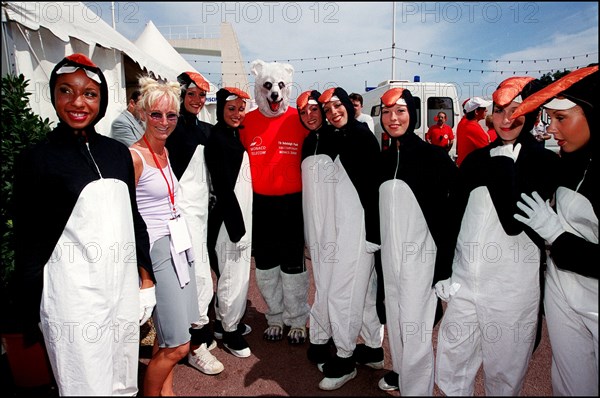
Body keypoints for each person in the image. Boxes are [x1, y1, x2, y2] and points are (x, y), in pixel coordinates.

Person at [13, 53, 155, 396]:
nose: (78, 102)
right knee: (84, 385)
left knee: (123, 381)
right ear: (54, 96)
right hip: (72, 301)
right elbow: (28, 240)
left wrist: (146, 280)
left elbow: (133, 219)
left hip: (121, 293)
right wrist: (26, 306)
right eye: (66, 91)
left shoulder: (117, 153)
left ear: (101, 99)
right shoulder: (37, 159)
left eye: (89, 93)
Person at [434, 76, 560, 396]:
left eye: (516, 110)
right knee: (451, 365)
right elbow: (453, 217)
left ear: (531, 112)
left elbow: (514, 222)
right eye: (500, 110)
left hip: (512, 291)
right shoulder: (476, 160)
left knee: (504, 374)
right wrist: (443, 270)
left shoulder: (543, 161)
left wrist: (505, 165)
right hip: (465, 283)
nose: (506, 119)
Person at [511, 64, 598, 396]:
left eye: (562, 119)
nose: (553, 129)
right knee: (570, 382)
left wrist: (558, 237)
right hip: (562, 291)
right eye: (550, 119)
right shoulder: (566, 162)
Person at [377, 88, 458, 395]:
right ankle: (400, 371)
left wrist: (445, 262)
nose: (392, 118)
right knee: (396, 320)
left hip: (421, 260)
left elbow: (456, 206)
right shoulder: (383, 159)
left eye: (400, 111)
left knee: (416, 328)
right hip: (389, 258)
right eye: (386, 112)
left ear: (412, 114)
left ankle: (417, 390)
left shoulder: (433, 157)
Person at [129, 76, 199, 396]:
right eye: (156, 114)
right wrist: (145, 276)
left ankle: (166, 393)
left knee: (169, 333)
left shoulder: (166, 151)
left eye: (171, 115)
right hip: (157, 250)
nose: (164, 121)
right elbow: (129, 218)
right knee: (180, 346)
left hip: (178, 244)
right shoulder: (134, 156)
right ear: (142, 112)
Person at [314, 87, 384, 391]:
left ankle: (345, 358)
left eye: (337, 106)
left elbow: (372, 190)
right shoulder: (338, 136)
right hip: (346, 228)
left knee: (341, 294)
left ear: (349, 105)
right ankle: (373, 349)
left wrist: (372, 235)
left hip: (359, 232)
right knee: (365, 293)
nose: (333, 112)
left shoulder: (361, 136)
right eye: (327, 109)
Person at [240, 60, 310, 346]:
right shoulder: (247, 122)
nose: (274, 93)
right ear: (259, 88)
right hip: (262, 206)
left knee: (293, 264)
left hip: (293, 205)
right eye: (268, 87)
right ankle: (275, 316)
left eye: (280, 86)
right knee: (266, 265)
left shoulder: (299, 119)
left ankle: (297, 319)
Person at [165, 71, 224, 375]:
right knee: (194, 279)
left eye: (202, 95)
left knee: (201, 279)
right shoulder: (168, 128)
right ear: (180, 95)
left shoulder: (206, 131)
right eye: (191, 94)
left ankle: (194, 337)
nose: (198, 101)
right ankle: (195, 345)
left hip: (202, 217)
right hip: (179, 218)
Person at [205, 87, 254, 358]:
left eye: (240, 108)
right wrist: (237, 230)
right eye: (231, 109)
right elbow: (222, 187)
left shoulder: (231, 135)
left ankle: (225, 324)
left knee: (231, 273)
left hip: (238, 217)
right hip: (229, 221)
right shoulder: (218, 139)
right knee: (232, 275)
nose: (236, 114)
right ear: (221, 109)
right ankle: (231, 331)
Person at [297, 90, 338, 367]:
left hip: (335, 223)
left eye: (313, 109)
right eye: (303, 112)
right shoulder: (307, 141)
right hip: (313, 222)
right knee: (322, 281)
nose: (309, 116)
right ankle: (325, 335)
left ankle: (329, 337)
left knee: (334, 283)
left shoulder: (338, 138)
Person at [455, 96, 493, 166]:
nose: (486, 110)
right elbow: (487, 153)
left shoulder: (463, 123)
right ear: (476, 112)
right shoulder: (474, 127)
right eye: (484, 108)